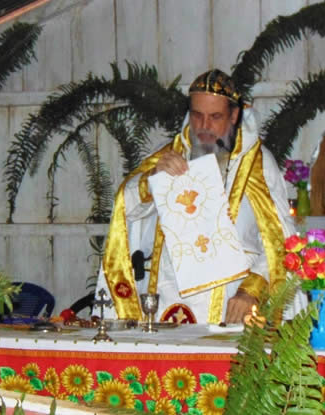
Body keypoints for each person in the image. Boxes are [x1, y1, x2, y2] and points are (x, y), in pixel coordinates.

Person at [96, 69, 302, 324]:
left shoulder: (258, 165)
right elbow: (126, 209)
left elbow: (281, 241)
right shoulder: (169, 154)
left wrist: (251, 290)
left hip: (230, 305)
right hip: (167, 303)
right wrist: (152, 179)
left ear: (234, 115)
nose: (204, 126)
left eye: (215, 117)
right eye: (197, 115)